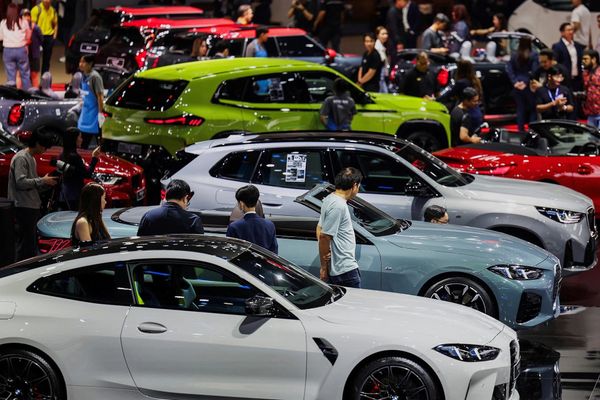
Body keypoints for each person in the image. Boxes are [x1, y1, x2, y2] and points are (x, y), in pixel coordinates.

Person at [8, 129, 58, 260]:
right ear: (37, 143)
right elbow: (21, 183)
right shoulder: (21, 158)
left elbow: (32, 184)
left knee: (29, 245)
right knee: (25, 245)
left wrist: (46, 183)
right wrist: (42, 180)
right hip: (23, 207)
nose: (45, 150)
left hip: (30, 206)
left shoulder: (31, 158)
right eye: (44, 146)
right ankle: (19, 270)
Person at [317, 167, 362, 288]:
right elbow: (324, 236)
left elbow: (319, 228)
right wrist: (323, 267)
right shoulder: (338, 206)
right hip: (345, 270)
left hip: (339, 269)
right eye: (359, 186)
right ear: (354, 185)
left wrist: (327, 252)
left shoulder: (329, 198)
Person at [56, 127, 102, 211]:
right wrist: (94, 158)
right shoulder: (74, 157)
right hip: (75, 195)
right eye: (80, 137)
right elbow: (87, 174)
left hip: (64, 194)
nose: (82, 139)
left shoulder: (61, 155)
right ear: (74, 139)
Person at [137, 179, 204, 236]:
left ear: (166, 196)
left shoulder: (148, 216)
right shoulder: (193, 221)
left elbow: (140, 241)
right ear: (185, 198)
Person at [226, 185, 278, 253]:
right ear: (256, 202)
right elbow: (274, 253)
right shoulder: (270, 225)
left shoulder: (234, 227)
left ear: (241, 204)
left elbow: (230, 253)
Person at [507, 37, 539, 131]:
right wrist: (526, 82)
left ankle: (520, 129)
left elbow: (509, 69)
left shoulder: (515, 54)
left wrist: (515, 82)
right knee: (533, 108)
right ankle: (532, 130)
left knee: (520, 109)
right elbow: (534, 70)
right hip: (528, 85)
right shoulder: (534, 54)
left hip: (517, 84)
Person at [0, 3, 31, 89]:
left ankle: (12, 95)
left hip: (8, 51)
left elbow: (1, 37)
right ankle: (27, 94)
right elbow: (28, 36)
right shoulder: (24, 22)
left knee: (10, 77)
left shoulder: (3, 22)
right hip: (21, 50)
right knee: (25, 74)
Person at [77, 54, 104, 149]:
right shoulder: (83, 76)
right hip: (85, 114)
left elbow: (100, 96)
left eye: (83, 62)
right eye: (80, 61)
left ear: (90, 64)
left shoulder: (95, 77)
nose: (80, 64)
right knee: (82, 145)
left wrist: (100, 113)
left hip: (94, 115)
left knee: (100, 145)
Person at [450, 59, 483, 128]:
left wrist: (435, 99)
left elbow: (450, 95)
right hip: (477, 112)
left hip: (465, 112)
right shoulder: (476, 80)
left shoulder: (460, 82)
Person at [552, 23, 584, 91]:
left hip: (577, 79)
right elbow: (556, 63)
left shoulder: (577, 46)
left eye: (572, 30)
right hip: (564, 79)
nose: (571, 32)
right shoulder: (557, 46)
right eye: (568, 30)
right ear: (562, 32)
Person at [31, 0, 57, 74]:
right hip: (38, 36)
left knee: (47, 59)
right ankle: (33, 77)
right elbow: (32, 25)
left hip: (49, 36)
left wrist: (54, 36)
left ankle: (44, 77)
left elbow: (55, 24)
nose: (47, 1)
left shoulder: (53, 10)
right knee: (35, 59)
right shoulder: (36, 9)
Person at [22, 8, 41, 88]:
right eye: (24, 15)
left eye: (28, 15)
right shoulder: (19, 27)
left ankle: (35, 92)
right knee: (24, 75)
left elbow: (41, 38)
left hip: (34, 55)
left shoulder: (35, 27)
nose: (27, 17)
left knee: (34, 74)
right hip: (23, 55)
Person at [582, 49, 600, 128]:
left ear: (594, 59)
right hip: (590, 112)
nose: (583, 61)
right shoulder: (585, 73)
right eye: (582, 59)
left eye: (586, 59)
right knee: (591, 134)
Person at [375, 26, 390, 93]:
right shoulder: (377, 47)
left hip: (382, 74)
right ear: (377, 35)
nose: (385, 36)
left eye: (386, 34)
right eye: (383, 34)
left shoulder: (382, 46)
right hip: (379, 75)